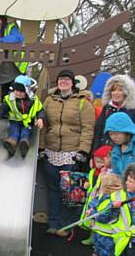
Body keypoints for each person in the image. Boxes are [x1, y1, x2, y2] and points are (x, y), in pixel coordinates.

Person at [40, 69, 96, 236]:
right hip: (51, 151)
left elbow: (88, 129)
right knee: (53, 189)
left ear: (72, 82)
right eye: (61, 79)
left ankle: (65, 225)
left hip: (71, 153)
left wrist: (83, 151)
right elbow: (43, 125)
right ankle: (53, 222)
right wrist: (41, 147)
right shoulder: (50, 100)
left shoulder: (82, 102)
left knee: (69, 190)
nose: (63, 82)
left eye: (66, 79)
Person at [0, 75, 44, 158]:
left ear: (27, 91)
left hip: (27, 123)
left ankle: (24, 143)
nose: (18, 93)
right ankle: (11, 143)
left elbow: (40, 109)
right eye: (16, 90)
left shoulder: (33, 100)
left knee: (26, 132)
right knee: (14, 130)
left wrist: (40, 118)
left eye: (21, 92)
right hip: (14, 121)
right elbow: (3, 108)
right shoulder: (10, 99)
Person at [92, 74, 135, 152]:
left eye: (120, 90)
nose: (116, 93)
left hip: (127, 151)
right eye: (113, 90)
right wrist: (95, 153)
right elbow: (99, 131)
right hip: (106, 152)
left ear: (127, 92)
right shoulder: (107, 108)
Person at [84, 171, 122, 256]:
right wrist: (90, 208)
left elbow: (105, 217)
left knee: (108, 251)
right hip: (98, 230)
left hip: (108, 232)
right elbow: (94, 203)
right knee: (98, 247)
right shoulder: (102, 196)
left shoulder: (115, 202)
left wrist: (92, 213)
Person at [79, 145, 113, 246]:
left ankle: (97, 240)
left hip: (101, 198)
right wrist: (87, 183)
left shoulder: (107, 173)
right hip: (93, 197)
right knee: (91, 218)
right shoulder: (94, 171)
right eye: (96, 161)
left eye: (101, 162)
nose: (98, 164)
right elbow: (91, 180)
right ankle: (92, 237)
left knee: (98, 219)